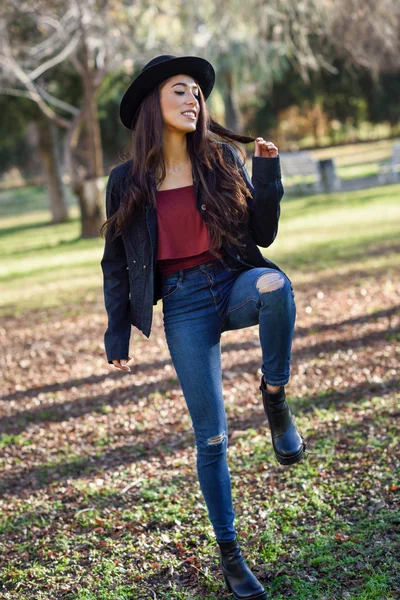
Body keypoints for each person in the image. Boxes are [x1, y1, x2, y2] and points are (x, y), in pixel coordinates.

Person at [100, 54, 306, 600]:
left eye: (197, 92)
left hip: (230, 280)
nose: (193, 100)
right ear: (153, 105)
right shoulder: (127, 182)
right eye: (180, 91)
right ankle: (231, 554)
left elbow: (263, 234)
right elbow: (116, 261)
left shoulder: (221, 159)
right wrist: (116, 333)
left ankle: (275, 394)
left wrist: (267, 175)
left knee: (276, 286)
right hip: (184, 307)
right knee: (211, 437)